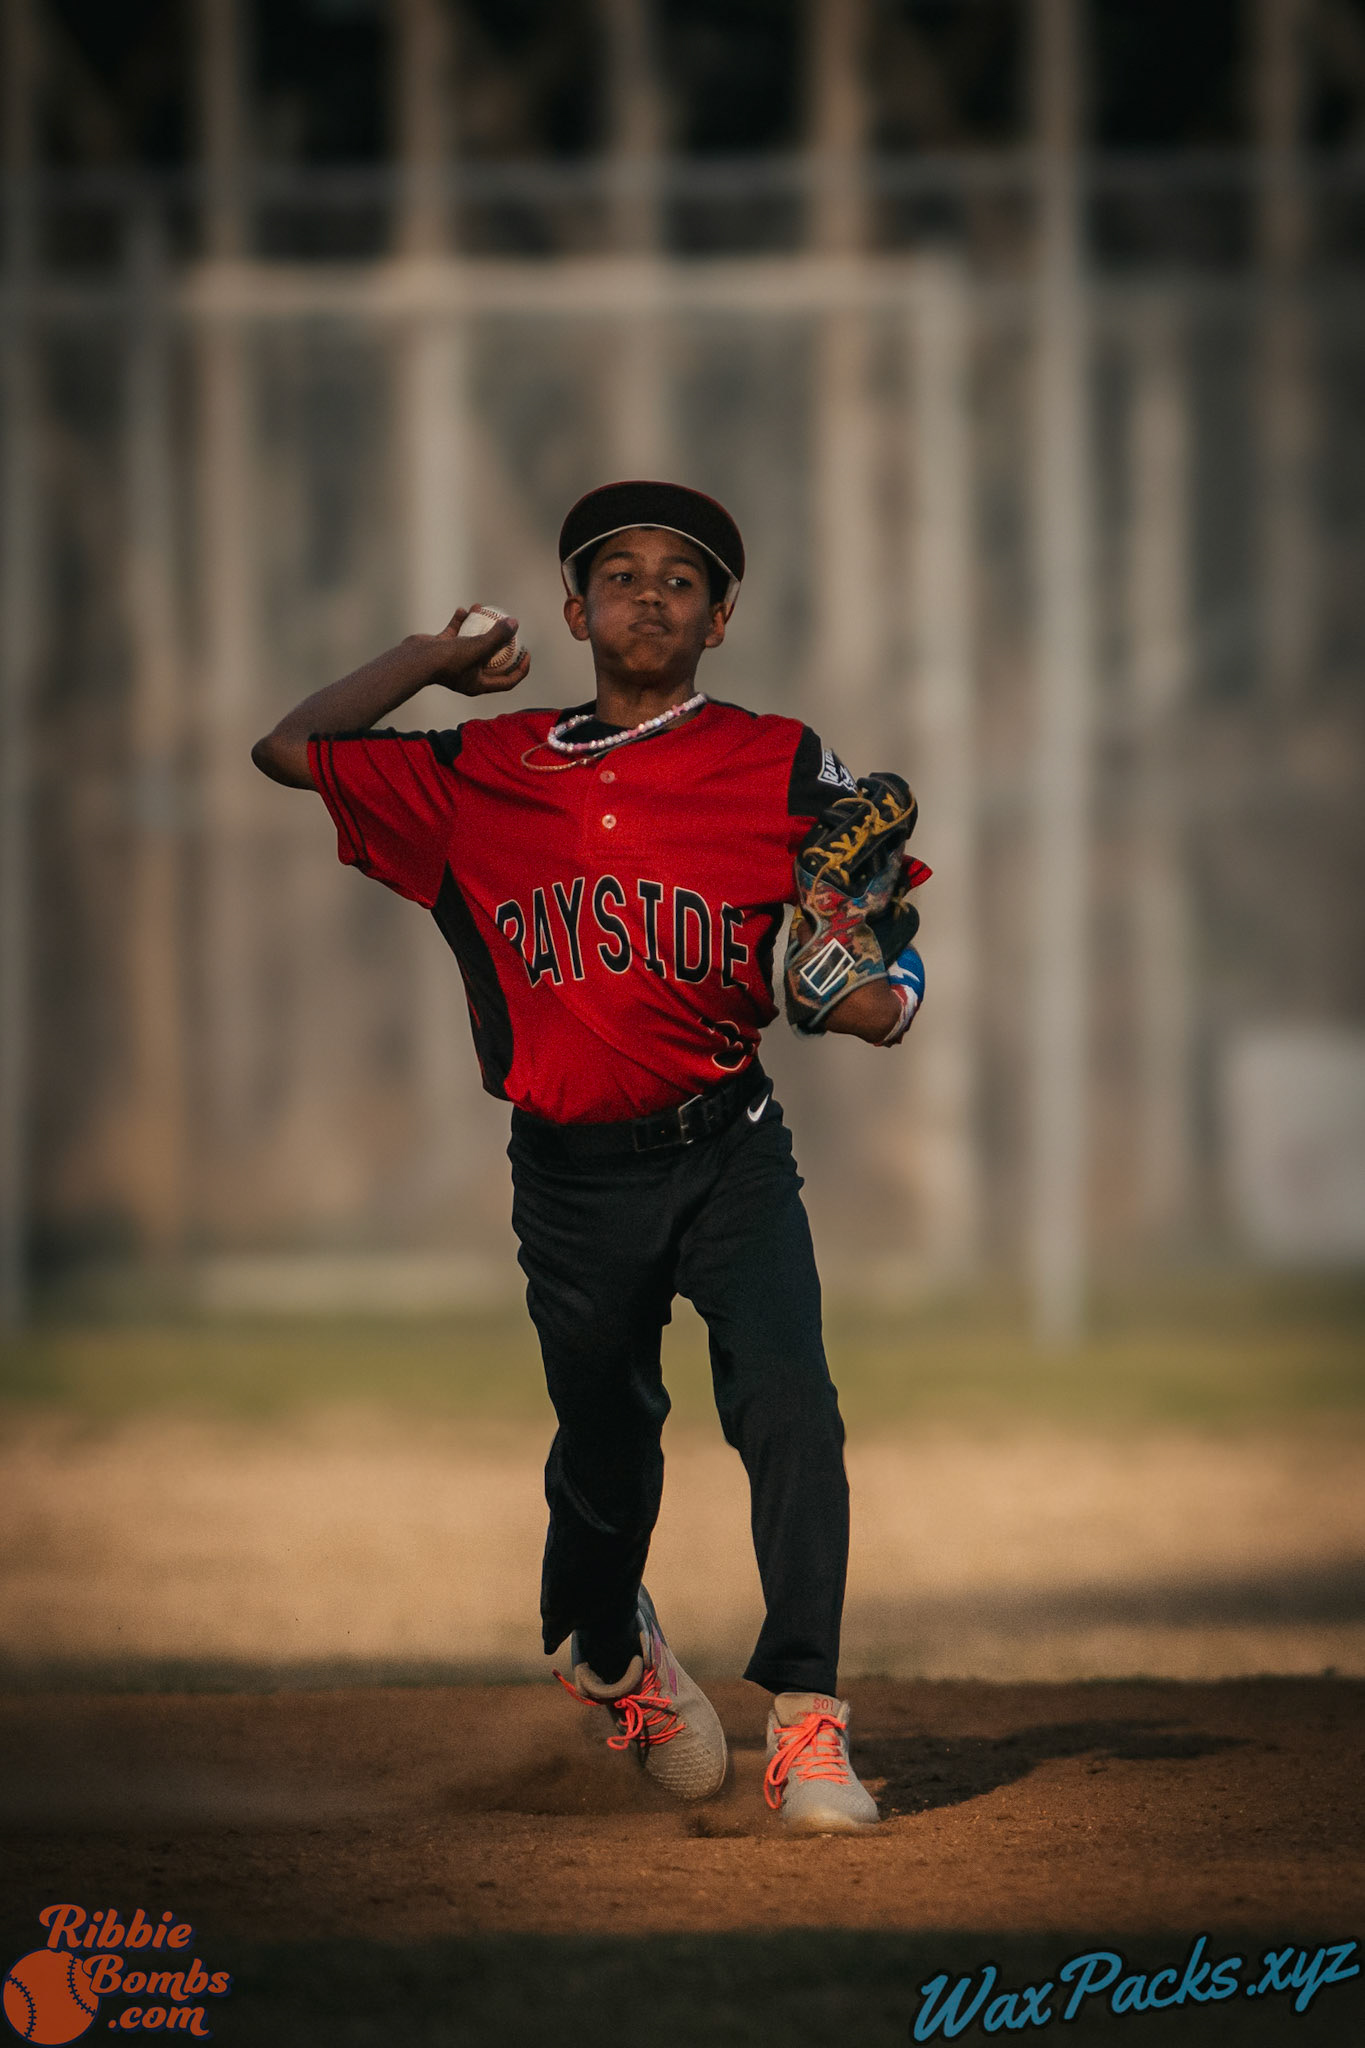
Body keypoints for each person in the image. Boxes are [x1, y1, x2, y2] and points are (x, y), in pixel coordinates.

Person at [251, 479, 925, 1832]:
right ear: (573, 610)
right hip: (567, 1175)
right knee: (610, 1449)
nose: (649, 594)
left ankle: (806, 1725)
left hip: (728, 1148)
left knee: (790, 1408)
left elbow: (878, 944)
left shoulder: (781, 762)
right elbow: (285, 749)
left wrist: (867, 993)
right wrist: (433, 660)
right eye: (618, 573)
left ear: (720, 619)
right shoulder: (479, 771)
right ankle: (608, 1650)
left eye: (684, 578)